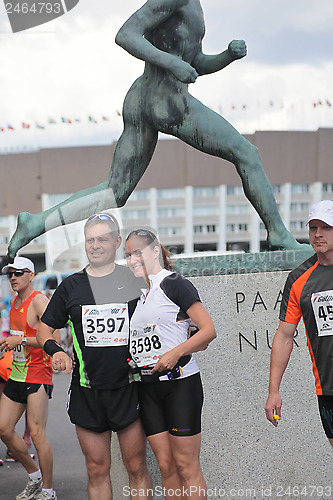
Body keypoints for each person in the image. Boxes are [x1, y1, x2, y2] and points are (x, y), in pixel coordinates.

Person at [7, 0, 304, 261]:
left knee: (115, 190)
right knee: (247, 154)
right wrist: (173, 64)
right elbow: (126, 35)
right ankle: (277, 233)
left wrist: (226, 56)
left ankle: (35, 224)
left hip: (142, 97)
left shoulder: (194, 7)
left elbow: (196, 63)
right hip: (167, 98)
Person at [37, 213, 152, 500]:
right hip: (87, 390)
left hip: (128, 386)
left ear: (116, 242)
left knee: (136, 466)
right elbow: (44, 328)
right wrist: (55, 351)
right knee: (96, 469)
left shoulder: (134, 279)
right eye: (90, 239)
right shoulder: (71, 286)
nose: (95, 245)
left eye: (102, 239)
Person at [125, 229, 216, 500]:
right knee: (166, 467)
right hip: (148, 388)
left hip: (180, 384)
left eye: (137, 252)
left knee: (187, 466)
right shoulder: (136, 297)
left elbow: (208, 330)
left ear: (155, 251)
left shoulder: (174, 283)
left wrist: (175, 353)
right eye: (128, 255)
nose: (132, 260)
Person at [265, 199, 333, 447]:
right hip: (327, 388)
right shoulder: (298, 280)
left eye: (325, 228)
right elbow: (284, 336)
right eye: (313, 228)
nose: (318, 234)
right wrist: (274, 390)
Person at [0, 256, 57, 500]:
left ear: (31, 275)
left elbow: (52, 336)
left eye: (19, 273)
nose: (13, 277)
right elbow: (16, 336)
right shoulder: (13, 301)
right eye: (10, 273)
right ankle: (34, 476)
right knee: (3, 428)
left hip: (38, 374)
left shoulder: (38, 301)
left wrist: (20, 340)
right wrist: (8, 344)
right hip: (18, 372)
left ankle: (48, 489)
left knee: (36, 433)